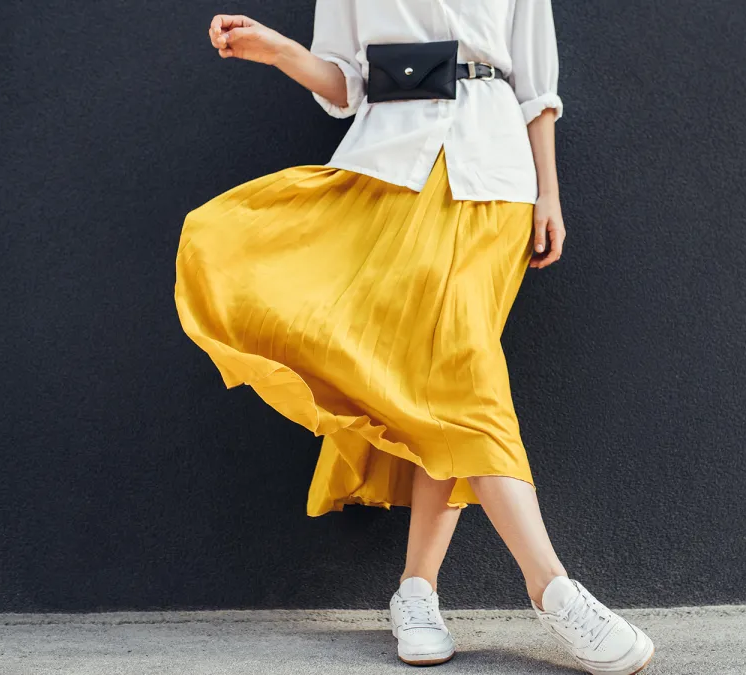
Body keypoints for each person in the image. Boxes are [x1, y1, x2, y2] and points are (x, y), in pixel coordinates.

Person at [174, 1, 654, 673]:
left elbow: (537, 87)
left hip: (495, 180)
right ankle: (526, 588)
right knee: (448, 379)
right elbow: (346, 84)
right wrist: (279, 51)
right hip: (387, 174)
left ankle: (432, 591)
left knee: (455, 370)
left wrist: (550, 191)